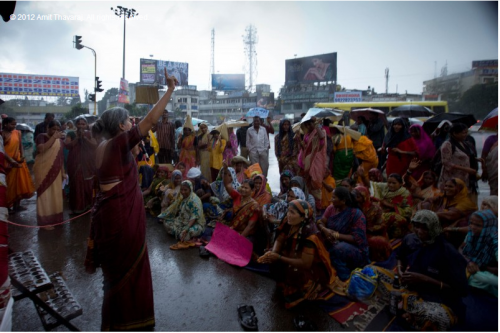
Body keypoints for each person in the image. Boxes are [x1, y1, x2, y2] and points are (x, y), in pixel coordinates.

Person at [85, 69, 177, 331]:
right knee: (126, 273)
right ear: (121, 127)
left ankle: (115, 322)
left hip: (110, 216)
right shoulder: (116, 144)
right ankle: (129, 323)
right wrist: (169, 90)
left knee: (114, 277)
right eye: (129, 122)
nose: (132, 124)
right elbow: (149, 121)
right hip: (121, 222)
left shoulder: (103, 147)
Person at [371, 210, 468, 331]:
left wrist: (425, 280)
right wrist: (400, 271)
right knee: (370, 271)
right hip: (409, 286)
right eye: (416, 226)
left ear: (434, 228)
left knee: (436, 317)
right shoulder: (411, 239)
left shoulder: (448, 252)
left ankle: (409, 310)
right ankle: (407, 308)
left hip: (436, 297)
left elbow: (461, 290)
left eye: (424, 228)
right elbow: (400, 257)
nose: (419, 231)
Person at [258, 199, 336, 308]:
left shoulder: (311, 235)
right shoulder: (288, 221)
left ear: (303, 217)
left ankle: (314, 285)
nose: (288, 215)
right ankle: (286, 282)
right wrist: (274, 253)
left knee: (294, 278)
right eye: (288, 211)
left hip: (307, 267)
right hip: (291, 255)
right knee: (272, 261)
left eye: (292, 213)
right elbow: (280, 239)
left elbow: (305, 263)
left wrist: (279, 257)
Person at [317, 187, 369, 281]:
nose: (331, 200)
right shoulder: (331, 208)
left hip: (354, 248)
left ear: (343, 201)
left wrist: (335, 235)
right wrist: (325, 230)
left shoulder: (356, 214)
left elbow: (357, 238)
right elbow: (321, 222)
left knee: (339, 248)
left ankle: (345, 278)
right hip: (331, 240)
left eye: (334, 198)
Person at [221, 162, 265, 253]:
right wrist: (225, 170)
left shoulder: (254, 206)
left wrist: (238, 239)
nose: (243, 190)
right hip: (234, 229)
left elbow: (250, 226)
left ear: (252, 190)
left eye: (246, 188)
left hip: (246, 234)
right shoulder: (237, 196)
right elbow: (227, 185)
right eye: (242, 187)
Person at [33, 120, 66, 228]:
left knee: (55, 195)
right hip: (43, 171)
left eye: (58, 129)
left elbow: (60, 157)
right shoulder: (41, 136)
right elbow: (41, 149)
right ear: (48, 128)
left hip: (56, 172)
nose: (56, 131)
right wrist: (53, 138)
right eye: (53, 129)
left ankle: (56, 220)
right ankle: (45, 222)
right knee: (44, 195)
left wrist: (63, 172)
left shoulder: (59, 141)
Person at [460, 210, 498, 297]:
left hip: (487, 271)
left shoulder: (495, 240)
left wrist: (482, 266)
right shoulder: (471, 234)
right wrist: (468, 262)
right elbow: (460, 249)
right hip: (471, 266)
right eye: (471, 223)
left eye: (478, 225)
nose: (472, 227)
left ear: (488, 226)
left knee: (487, 280)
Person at [438, 123, 479, 204]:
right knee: (452, 201)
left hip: (464, 178)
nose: (465, 135)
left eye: (466, 132)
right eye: (463, 133)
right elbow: (446, 162)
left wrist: (476, 159)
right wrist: (466, 169)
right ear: (455, 133)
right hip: (452, 178)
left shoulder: (464, 143)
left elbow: (464, 157)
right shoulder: (447, 144)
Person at [64, 116, 96, 215]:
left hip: (87, 163)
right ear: (75, 124)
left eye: (83, 124)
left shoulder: (89, 133)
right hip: (75, 162)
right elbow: (67, 146)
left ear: (86, 125)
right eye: (79, 123)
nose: (81, 126)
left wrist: (85, 138)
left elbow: (94, 145)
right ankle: (77, 208)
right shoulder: (71, 133)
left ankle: (87, 206)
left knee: (87, 185)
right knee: (76, 184)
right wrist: (77, 138)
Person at [1, 117, 35, 212]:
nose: (14, 126)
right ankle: (7, 206)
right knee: (9, 185)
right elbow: (2, 150)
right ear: (5, 124)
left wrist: (22, 156)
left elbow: (20, 146)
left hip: (19, 161)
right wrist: (11, 161)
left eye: (15, 124)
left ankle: (17, 205)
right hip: (7, 162)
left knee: (20, 184)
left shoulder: (17, 133)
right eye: (12, 124)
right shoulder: (2, 134)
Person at [368, 173, 413, 239]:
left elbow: (408, 212)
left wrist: (390, 205)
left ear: (400, 184)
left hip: (396, 216)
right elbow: (372, 185)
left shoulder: (405, 194)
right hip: (382, 212)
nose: (391, 185)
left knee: (396, 219)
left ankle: (393, 237)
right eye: (389, 183)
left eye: (394, 183)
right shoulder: (385, 187)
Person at [353, 185, 391, 262]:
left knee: (376, 242)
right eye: (355, 196)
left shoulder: (375, 208)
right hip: (357, 231)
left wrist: (368, 228)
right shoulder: (353, 207)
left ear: (365, 196)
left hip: (372, 232)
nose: (356, 198)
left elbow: (382, 225)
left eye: (359, 196)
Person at [297, 118, 326, 209]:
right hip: (306, 161)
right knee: (306, 184)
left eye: (310, 124)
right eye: (307, 125)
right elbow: (305, 147)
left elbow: (322, 138)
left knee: (315, 184)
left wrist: (317, 124)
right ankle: (308, 205)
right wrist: (298, 139)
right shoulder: (307, 134)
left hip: (315, 161)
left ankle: (317, 208)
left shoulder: (319, 132)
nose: (309, 126)